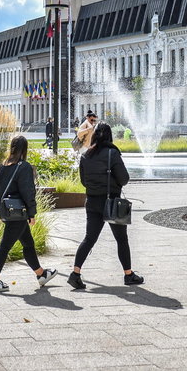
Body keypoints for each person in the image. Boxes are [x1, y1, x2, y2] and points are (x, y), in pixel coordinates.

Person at [68, 122, 143, 289]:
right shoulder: (112, 153)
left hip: (92, 201)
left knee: (89, 239)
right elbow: (124, 178)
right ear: (110, 136)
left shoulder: (86, 155)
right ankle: (128, 274)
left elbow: (83, 181)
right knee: (121, 239)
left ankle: (75, 273)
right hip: (111, 202)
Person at [0, 135, 58, 292]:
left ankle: (41, 274)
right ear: (24, 149)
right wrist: (32, 213)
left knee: (28, 243)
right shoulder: (24, 167)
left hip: (9, 210)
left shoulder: (3, 166)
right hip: (19, 212)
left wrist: (0, 210)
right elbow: (28, 192)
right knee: (4, 246)